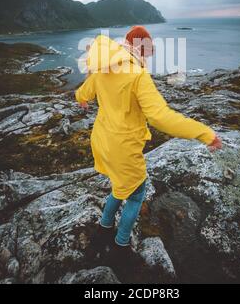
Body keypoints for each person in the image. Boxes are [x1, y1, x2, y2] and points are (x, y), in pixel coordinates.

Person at [75, 26, 222, 251]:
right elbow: (160, 117)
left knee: (119, 186)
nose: (148, 56)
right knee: (136, 194)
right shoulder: (138, 75)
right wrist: (204, 133)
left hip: (103, 141)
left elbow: (84, 91)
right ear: (140, 48)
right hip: (123, 147)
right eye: (147, 50)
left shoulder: (104, 67)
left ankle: (104, 228)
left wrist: (82, 99)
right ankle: (121, 245)